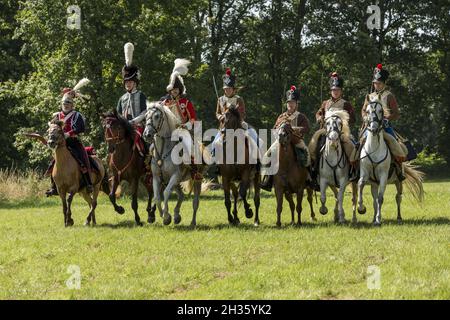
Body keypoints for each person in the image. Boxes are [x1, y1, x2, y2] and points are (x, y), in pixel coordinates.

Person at [45, 78, 93, 196]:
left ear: (72, 104)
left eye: (68, 103)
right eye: (64, 103)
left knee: (84, 158)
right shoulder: (56, 116)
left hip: (73, 142)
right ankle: (54, 187)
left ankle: (88, 183)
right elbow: (52, 127)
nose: (66, 105)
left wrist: (69, 134)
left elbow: (81, 128)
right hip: (60, 144)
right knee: (53, 164)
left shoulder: (77, 115)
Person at [309, 72, 357, 188]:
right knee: (314, 147)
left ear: (341, 91)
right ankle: (314, 174)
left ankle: (352, 172)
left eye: (338, 90)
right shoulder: (326, 103)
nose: (335, 92)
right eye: (333, 90)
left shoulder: (346, 104)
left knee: (351, 148)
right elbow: (319, 113)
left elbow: (353, 119)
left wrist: (342, 123)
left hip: (341, 132)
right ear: (331, 91)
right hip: (326, 131)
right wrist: (319, 117)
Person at [360, 63, 407, 180]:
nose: (377, 85)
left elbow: (396, 113)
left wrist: (386, 118)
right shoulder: (369, 96)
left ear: (384, 83)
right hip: (370, 126)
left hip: (385, 126)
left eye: (379, 83)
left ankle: (399, 169)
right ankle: (357, 169)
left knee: (396, 144)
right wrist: (365, 118)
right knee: (360, 143)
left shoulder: (389, 96)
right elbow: (363, 111)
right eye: (375, 83)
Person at [260, 85, 311, 191]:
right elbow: (274, 129)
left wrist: (293, 129)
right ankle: (268, 180)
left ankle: (309, 178)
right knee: (267, 156)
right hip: (281, 142)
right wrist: (278, 133)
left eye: (292, 102)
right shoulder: (281, 116)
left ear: (296, 104)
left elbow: (306, 129)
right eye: (289, 102)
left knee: (307, 156)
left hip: (296, 140)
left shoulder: (301, 116)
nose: (290, 105)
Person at [212, 68, 260, 162]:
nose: (227, 91)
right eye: (226, 89)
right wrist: (220, 117)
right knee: (214, 144)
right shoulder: (220, 100)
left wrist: (237, 118)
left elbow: (243, 113)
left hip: (239, 124)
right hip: (224, 126)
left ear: (233, 89)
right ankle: (216, 164)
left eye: (229, 89)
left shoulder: (239, 99)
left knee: (254, 136)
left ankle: (258, 160)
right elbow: (217, 112)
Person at [116, 42, 148, 156]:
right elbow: (118, 114)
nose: (128, 84)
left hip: (137, 125)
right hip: (124, 127)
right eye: (126, 82)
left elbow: (145, 112)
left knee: (144, 141)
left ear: (135, 83)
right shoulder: (122, 98)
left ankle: (147, 161)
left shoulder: (141, 95)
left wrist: (134, 121)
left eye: (130, 82)